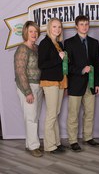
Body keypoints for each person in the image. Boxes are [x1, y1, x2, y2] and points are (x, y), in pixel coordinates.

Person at [64, 15, 99, 152]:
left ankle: (88, 137)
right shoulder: (69, 43)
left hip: (90, 84)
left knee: (89, 113)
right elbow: (67, 65)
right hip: (75, 83)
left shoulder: (94, 42)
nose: (84, 27)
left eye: (86, 24)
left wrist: (97, 83)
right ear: (76, 26)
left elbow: (97, 65)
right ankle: (73, 140)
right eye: (81, 24)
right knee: (73, 114)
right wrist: (81, 70)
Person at [38, 17, 67, 154]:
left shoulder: (58, 44)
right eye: (54, 26)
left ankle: (56, 142)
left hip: (60, 82)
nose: (57, 29)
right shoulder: (45, 43)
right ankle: (50, 146)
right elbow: (41, 64)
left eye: (59, 27)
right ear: (49, 28)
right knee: (51, 115)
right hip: (49, 82)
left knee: (55, 113)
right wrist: (58, 58)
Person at [14, 21, 43, 157]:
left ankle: (29, 144)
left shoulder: (36, 48)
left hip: (38, 85)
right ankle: (33, 146)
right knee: (31, 117)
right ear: (25, 32)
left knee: (35, 117)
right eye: (31, 31)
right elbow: (20, 72)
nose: (34, 34)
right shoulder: (22, 49)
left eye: (36, 31)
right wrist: (27, 92)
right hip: (27, 87)